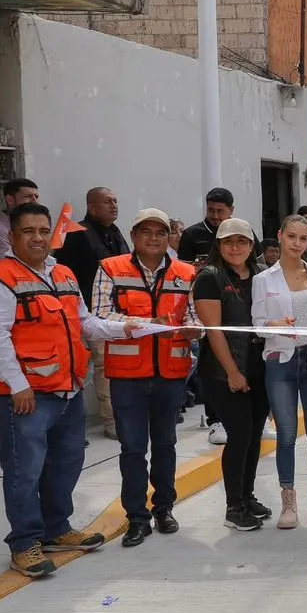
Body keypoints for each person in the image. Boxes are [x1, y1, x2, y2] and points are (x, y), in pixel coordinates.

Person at [0, 203, 143, 577]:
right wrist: (18, 386)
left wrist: (125, 327)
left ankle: (57, 529)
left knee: (66, 464)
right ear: (12, 236)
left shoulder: (64, 274)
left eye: (43, 230)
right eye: (28, 231)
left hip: (67, 390)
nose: (37, 238)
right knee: (24, 471)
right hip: (27, 397)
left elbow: (84, 323)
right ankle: (24, 543)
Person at [93, 209, 200, 547]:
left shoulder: (187, 273)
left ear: (170, 237)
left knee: (166, 444)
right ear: (134, 235)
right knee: (133, 448)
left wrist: (193, 330)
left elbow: (196, 316)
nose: (154, 238)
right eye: (146, 232)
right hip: (128, 377)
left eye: (161, 232)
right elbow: (98, 317)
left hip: (171, 374)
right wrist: (143, 323)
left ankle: (165, 508)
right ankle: (137, 518)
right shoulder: (110, 268)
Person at [193, 217, 271, 532]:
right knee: (239, 435)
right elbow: (214, 331)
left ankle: (247, 495)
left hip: (259, 367)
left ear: (252, 245)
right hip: (224, 370)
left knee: (254, 436)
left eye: (242, 241)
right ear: (219, 245)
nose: (235, 248)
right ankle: (233, 506)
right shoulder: (210, 277)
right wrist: (232, 372)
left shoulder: (261, 276)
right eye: (228, 242)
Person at [253, 214, 307, 529]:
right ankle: (288, 499)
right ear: (280, 236)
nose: (298, 244)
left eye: (304, 238)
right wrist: (272, 325)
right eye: (292, 237)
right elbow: (256, 326)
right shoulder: (263, 280)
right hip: (280, 360)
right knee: (285, 434)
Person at [54, 186, 130, 437]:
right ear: (92, 206)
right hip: (88, 311)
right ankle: (111, 423)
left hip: (117, 312)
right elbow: (65, 274)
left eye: (116, 200)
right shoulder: (77, 234)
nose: (114, 205)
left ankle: (123, 416)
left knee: (118, 367)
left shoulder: (115, 233)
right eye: (108, 201)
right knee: (102, 367)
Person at [0, 178, 39, 265]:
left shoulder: (36, 227)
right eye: (27, 196)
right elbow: (6, 266)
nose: (34, 201)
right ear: (10, 200)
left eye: (36, 197)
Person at [178, 187, 235, 267]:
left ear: (231, 210)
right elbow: (183, 269)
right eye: (211, 210)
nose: (215, 216)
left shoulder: (243, 232)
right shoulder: (190, 234)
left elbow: (257, 265)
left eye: (220, 211)